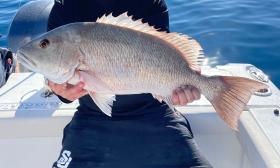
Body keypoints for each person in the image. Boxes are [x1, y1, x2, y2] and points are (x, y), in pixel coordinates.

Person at [6, 0, 213, 167]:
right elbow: (58, 78)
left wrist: (181, 88)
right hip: (93, 116)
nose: (41, 46)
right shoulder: (66, 6)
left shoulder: (151, 3)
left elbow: (162, 56)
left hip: (155, 113)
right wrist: (60, 91)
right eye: (44, 43)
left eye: (44, 44)